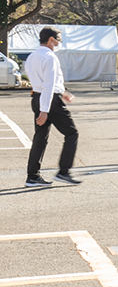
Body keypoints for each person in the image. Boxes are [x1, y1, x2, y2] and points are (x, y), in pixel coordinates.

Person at [24, 27, 81, 187]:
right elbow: (48, 85)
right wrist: (45, 110)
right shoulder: (50, 57)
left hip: (36, 96)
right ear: (51, 39)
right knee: (72, 133)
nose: (59, 42)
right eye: (58, 39)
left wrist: (61, 92)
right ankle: (64, 172)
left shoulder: (32, 56)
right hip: (49, 101)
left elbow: (41, 82)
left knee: (40, 137)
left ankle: (33, 176)